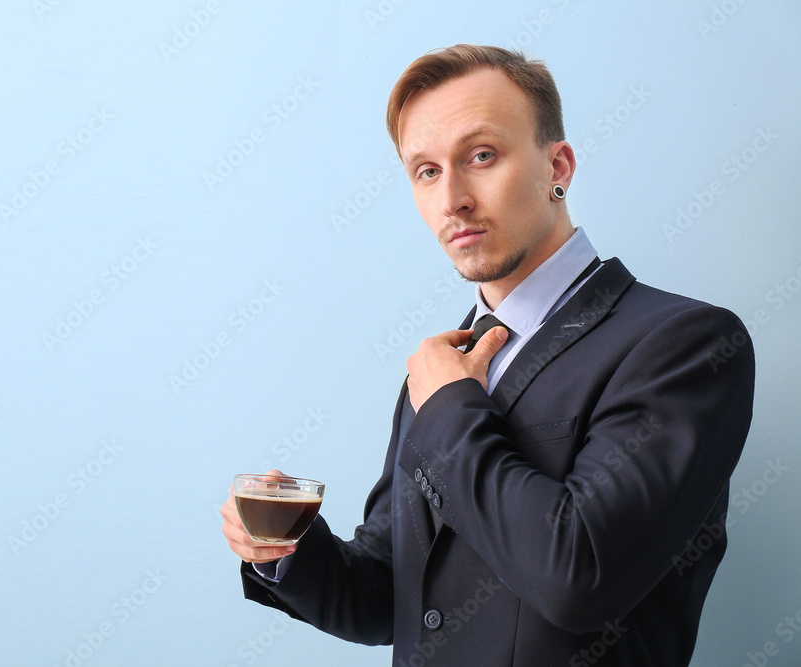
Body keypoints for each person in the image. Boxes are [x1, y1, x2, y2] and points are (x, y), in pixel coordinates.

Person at [220, 44, 755, 666]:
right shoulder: (442, 366)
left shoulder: (685, 344)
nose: (453, 200)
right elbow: (384, 597)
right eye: (425, 171)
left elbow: (579, 577)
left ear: (559, 164)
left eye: (481, 156)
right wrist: (288, 546)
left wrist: (450, 407)